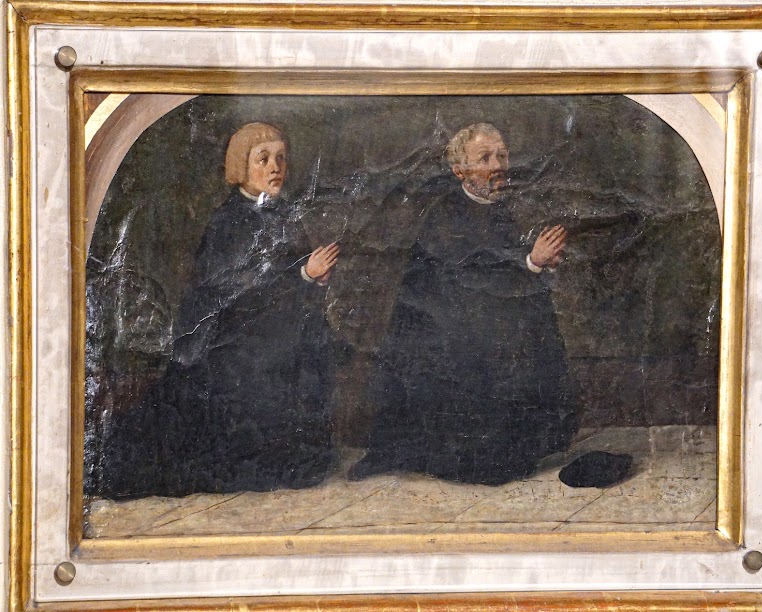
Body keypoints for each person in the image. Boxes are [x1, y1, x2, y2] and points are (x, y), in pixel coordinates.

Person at [101, 122, 340, 498]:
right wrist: (303, 276)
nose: (275, 167)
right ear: (242, 167)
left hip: (276, 332)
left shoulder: (284, 214)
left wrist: (314, 281)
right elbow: (237, 294)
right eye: (263, 159)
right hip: (230, 342)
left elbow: (289, 280)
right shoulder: (229, 221)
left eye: (281, 158)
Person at [349, 123, 579, 485]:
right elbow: (474, 276)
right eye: (485, 158)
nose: (498, 165)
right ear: (460, 171)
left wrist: (538, 264)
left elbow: (502, 269)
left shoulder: (498, 209)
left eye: (502, 155)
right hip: (444, 347)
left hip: (482, 331)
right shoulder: (446, 214)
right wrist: (531, 261)